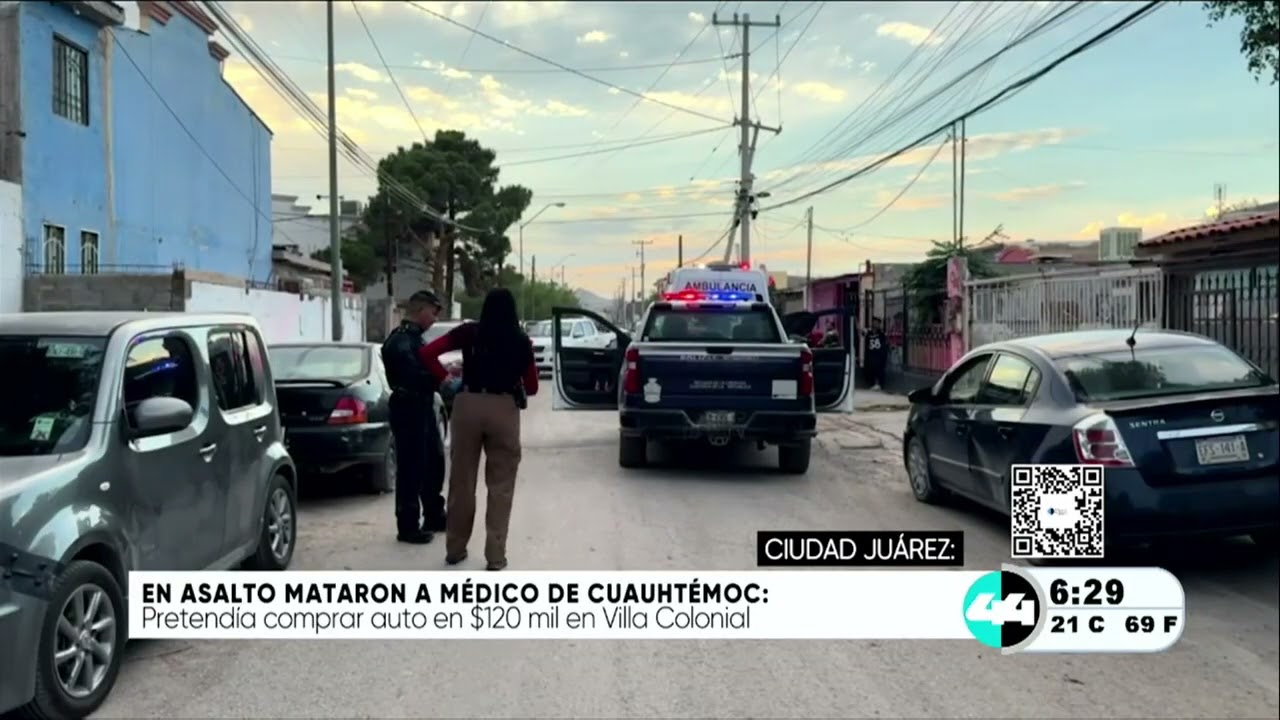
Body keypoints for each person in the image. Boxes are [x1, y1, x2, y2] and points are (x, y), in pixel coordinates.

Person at [418, 288, 538, 571]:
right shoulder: (520, 340)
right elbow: (532, 387)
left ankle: (455, 549)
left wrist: (447, 377)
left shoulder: (469, 332)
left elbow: (427, 353)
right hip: (504, 408)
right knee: (501, 486)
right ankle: (495, 556)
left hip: (467, 405)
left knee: (461, 482)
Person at [381, 290, 448, 545]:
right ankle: (408, 525)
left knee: (433, 462)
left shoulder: (415, 339)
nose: (434, 318)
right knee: (412, 467)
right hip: (408, 406)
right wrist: (441, 377)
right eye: (433, 312)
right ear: (420, 310)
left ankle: (434, 515)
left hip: (423, 405)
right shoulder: (400, 342)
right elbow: (414, 376)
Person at [863, 316, 888, 391]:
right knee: (871, 368)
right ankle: (873, 384)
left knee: (879, 368)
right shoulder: (868, 332)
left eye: (877, 322)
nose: (875, 324)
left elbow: (884, 343)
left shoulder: (881, 334)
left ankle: (879, 384)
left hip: (879, 354)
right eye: (874, 322)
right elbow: (861, 332)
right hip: (871, 354)